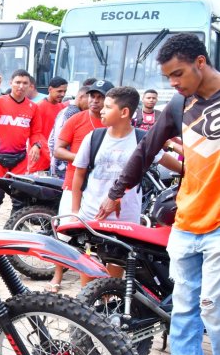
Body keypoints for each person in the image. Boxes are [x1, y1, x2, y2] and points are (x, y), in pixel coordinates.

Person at [96, 33, 220, 355]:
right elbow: (146, 148)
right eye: (167, 77)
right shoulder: (181, 104)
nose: (173, 84)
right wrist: (117, 191)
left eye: (178, 73)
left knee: (213, 308)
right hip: (187, 219)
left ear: (201, 62)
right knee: (183, 305)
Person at [71, 86, 180, 280]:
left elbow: (173, 164)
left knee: (115, 276)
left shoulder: (142, 140)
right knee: (88, 268)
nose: (101, 110)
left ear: (124, 112)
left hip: (125, 220)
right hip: (91, 215)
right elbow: (78, 175)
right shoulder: (94, 137)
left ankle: (108, 304)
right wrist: (74, 212)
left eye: (107, 106)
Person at [48, 80, 110, 292]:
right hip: (73, 184)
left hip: (102, 188)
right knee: (64, 232)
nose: (95, 101)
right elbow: (58, 150)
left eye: (100, 97)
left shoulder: (111, 123)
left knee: (99, 236)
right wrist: (83, 158)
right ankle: (57, 277)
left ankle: (99, 284)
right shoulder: (76, 119)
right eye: (92, 96)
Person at [0, 70, 46, 217]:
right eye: (17, 82)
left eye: (25, 83)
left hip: (20, 159)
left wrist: (37, 146)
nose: (21, 86)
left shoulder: (33, 107)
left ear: (30, 86)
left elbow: (37, 132)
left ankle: (14, 231)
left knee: (20, 200)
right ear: (11, 83)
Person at [48, 78, 97, 179]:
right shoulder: (75, 114)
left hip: (58, 164)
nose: (91, 104)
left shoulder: (67, 110)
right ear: (81, 97)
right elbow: (58, 144)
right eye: (89, 100)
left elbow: (51, 141)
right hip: (64, 167)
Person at [36, 76, 68, 142]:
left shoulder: (63, 107)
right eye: (59, 91)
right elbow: (35, 133)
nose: (63, 94)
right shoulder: (39, 107)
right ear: (50, 89)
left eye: (65, 91)